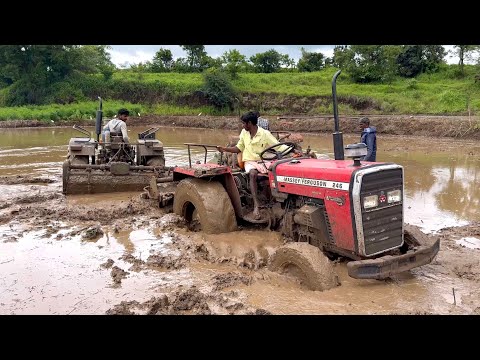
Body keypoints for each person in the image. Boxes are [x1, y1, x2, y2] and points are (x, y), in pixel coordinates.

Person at [217, 111, 290, 220]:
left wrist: (292, 152)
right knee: (252, 173)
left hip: (263, 160)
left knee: (277, 169)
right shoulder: (244, 133)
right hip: (250, 161)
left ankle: (280, 200)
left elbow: (278, 147)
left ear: (249, 123)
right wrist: (224, 149)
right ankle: (257, 205)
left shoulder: (265, 134)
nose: (242, 125)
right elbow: (238, 148)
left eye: (243, 123)